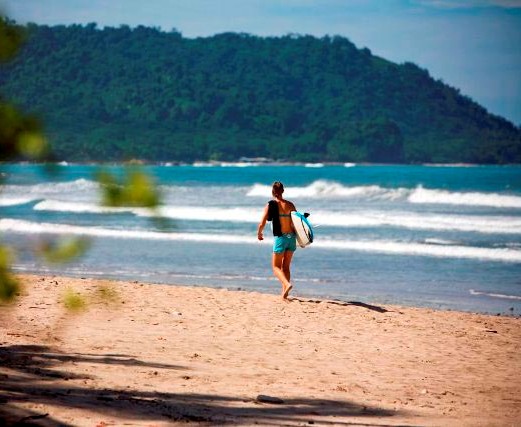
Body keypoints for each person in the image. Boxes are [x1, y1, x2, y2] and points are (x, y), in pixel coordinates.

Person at [257, 181, 297, 300]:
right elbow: (297, 223)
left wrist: (259, 232)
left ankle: (287, 284)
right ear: (283, 191)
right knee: (286, 267)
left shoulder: (271, 205)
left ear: (273, 192)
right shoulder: (291, 205)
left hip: (281, 238)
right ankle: (284, 293)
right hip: (291, 238)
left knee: (275, 266)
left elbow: (262, 222)